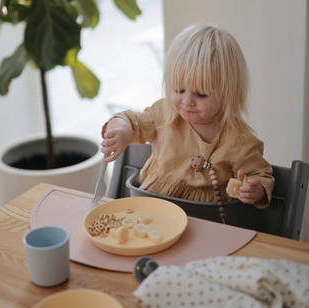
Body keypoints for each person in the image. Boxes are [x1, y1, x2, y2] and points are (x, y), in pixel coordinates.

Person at [100, 24, 274, 208]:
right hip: (152, 210)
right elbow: (132, 121)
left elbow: (260, 175)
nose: (187, 101)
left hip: (206, 222)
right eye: (179, 90)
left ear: (228, 93)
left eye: (201, 94)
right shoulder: (165, 114)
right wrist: (122, 129)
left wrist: (256, 190)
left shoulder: (239, 141)